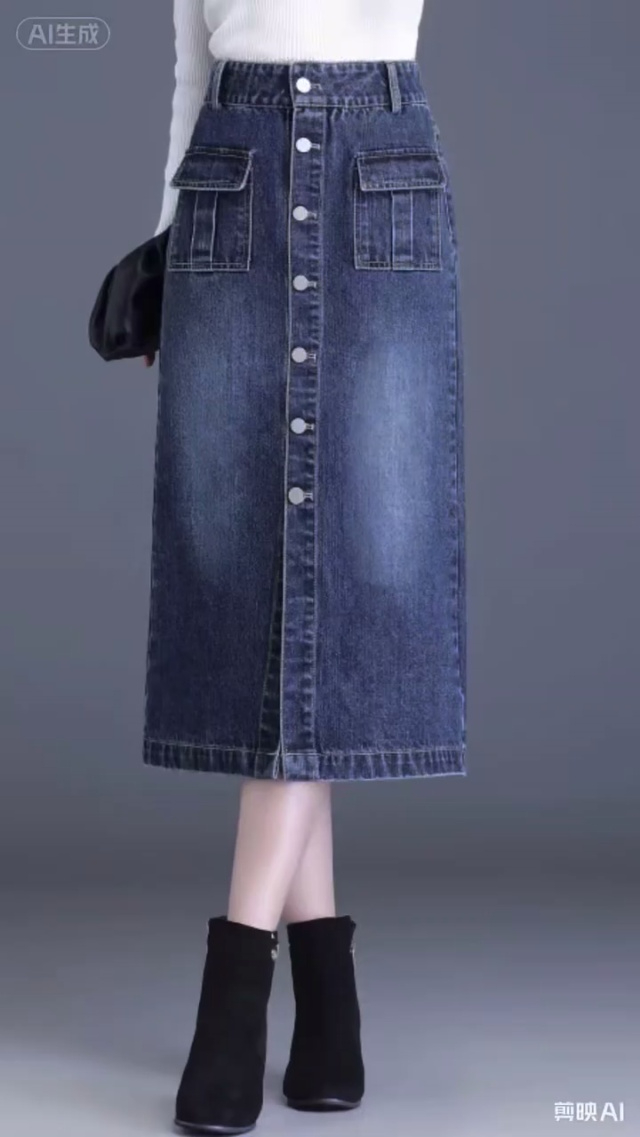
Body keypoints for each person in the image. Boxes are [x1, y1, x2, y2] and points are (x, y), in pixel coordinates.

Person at [142, 2, 466, 1133]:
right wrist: (164, 251)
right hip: (226, 187)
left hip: (376, 171)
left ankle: (235, 992)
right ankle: (327, 997)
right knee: (256, 581)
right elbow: (192, 78)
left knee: (346, 578)